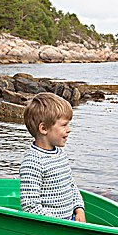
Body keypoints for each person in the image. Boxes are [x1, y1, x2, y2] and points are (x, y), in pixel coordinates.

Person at [19, 92, 86, 222]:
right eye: (64, 125)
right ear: (44, 128)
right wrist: (59, 223)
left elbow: (71, 185)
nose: (69, 129)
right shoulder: (32, 162)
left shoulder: (60, 154)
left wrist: (79, 209)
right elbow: (30, 206)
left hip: (67, 222)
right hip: (50, 228)